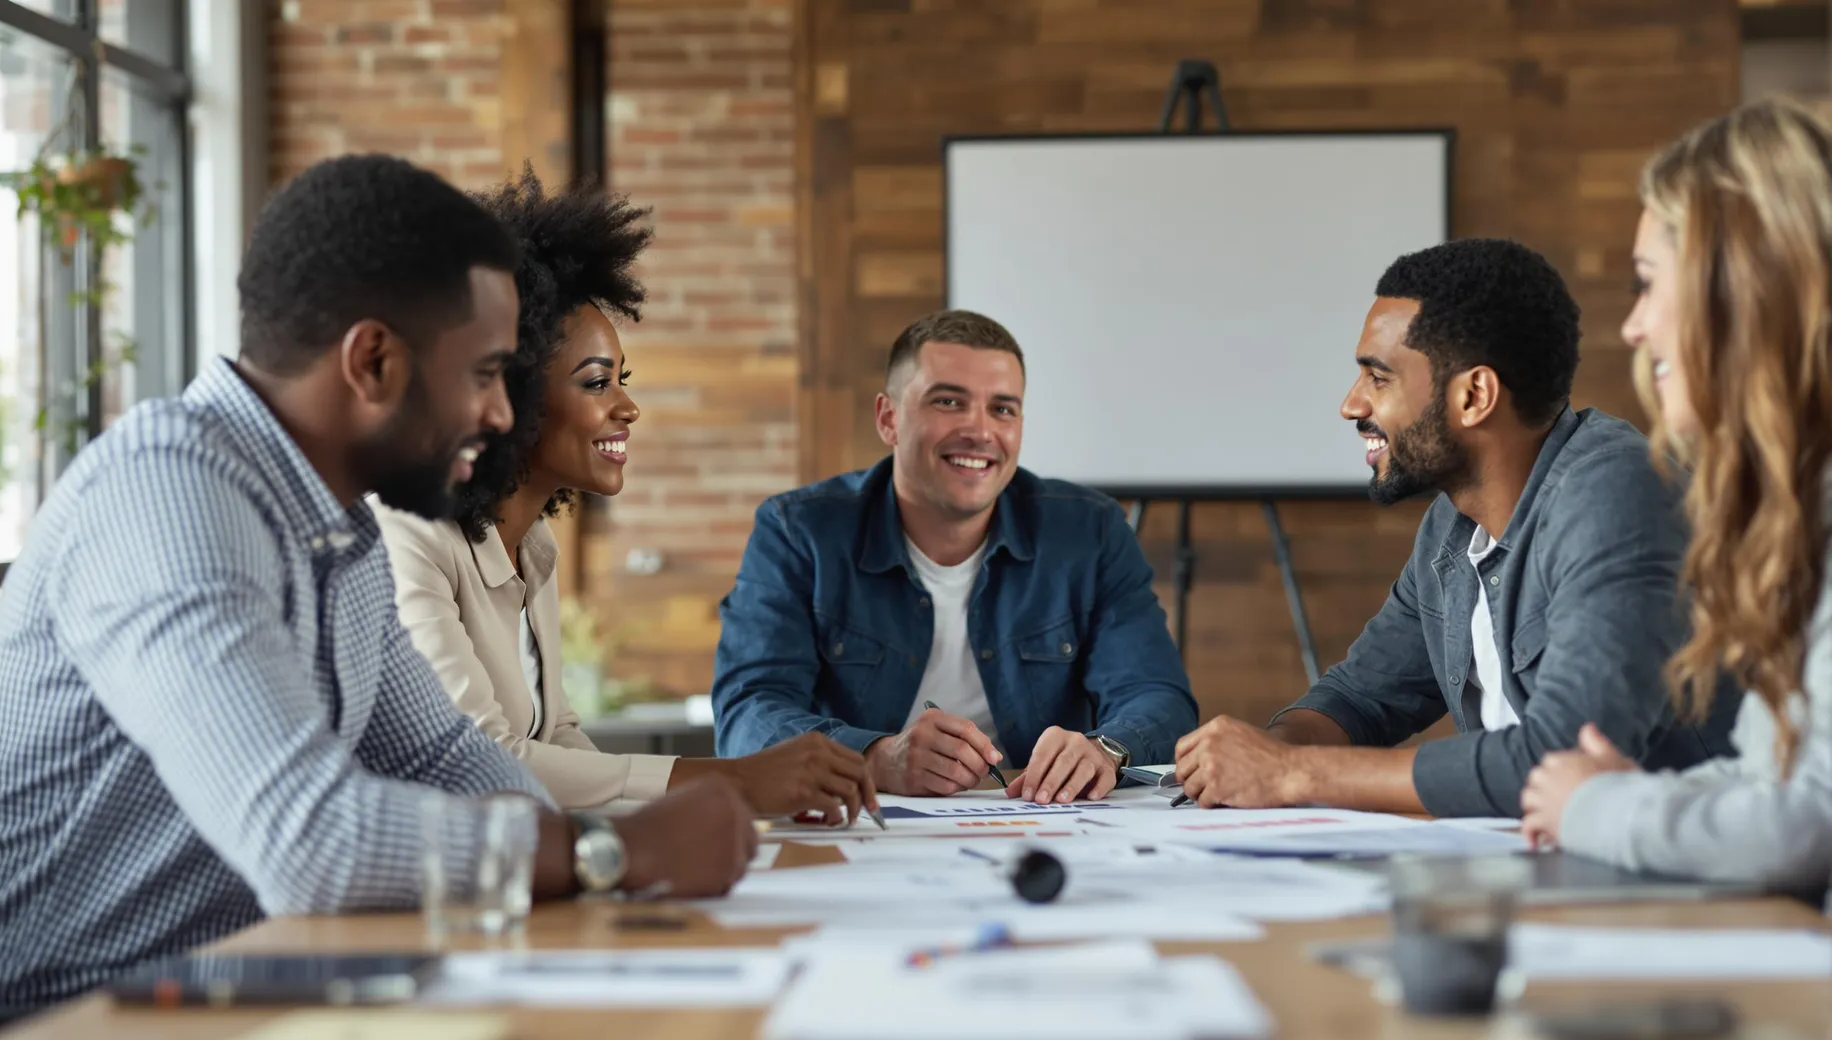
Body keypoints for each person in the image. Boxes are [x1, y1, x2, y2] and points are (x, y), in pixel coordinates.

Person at [0, 156, 753, 1007]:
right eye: (484, 373)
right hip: (40, 1027)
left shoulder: (342, 530)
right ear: (374, 361)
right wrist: (606, 851)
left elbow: (442, 756)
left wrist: (582, 847)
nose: (503, 414)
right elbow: (307, 838)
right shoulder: (165, 493)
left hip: (221, 999)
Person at [376, 170, 878, 821]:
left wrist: (705, 806)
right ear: (510, 390)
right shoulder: (410, 536)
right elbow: (482, 762)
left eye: (622, 380)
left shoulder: (532, 544)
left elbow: (557, 737)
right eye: (596, 383)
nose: (628, 407)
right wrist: (734, 781)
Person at [1172, 237, 1735, 818]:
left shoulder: (1617, 493)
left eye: (1378, 379)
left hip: (1675, 869)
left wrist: (1290, 773)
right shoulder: (1453, 524)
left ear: (1474, 396)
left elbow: (1563, 760)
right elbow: (1359, 698)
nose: (1351, 405)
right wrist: (1260, 756)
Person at [1520, 98, 1832, 888]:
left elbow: (1810, 825)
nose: (1632, 328)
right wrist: (1629, 796)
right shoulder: (1799, 510)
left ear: (1743, 289)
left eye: (1648, 284)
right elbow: (1772, 780)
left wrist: (1599, 807)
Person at [712, 309, 1199, 802]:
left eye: (1002, 409)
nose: (980, 431)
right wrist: (876, 758)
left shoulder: (1092, 532)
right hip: (863, 821)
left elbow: (1158, 697)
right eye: (948, 402)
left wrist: (1107, 750)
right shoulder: (797, 532)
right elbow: (748, 713)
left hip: (1047, 821)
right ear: (889, 419)